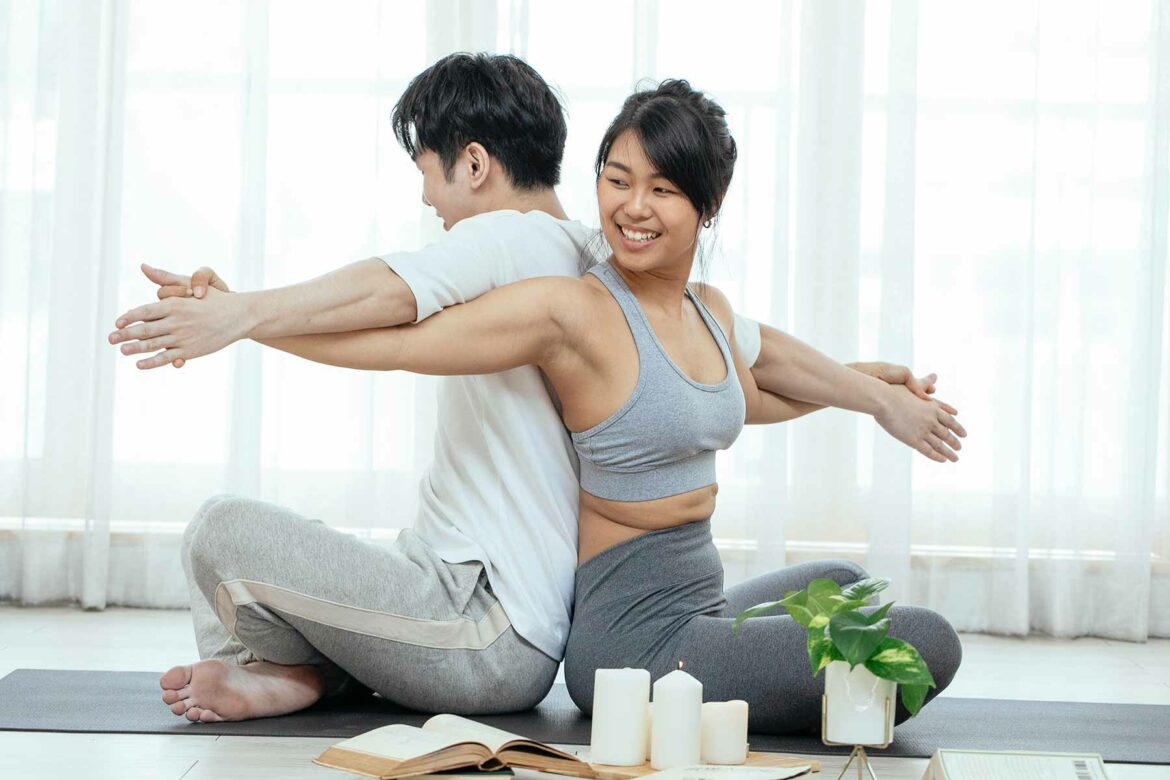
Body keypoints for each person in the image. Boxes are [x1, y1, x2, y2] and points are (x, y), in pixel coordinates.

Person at [109, 55, 965, 724]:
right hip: (583, 625)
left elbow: (753, 365)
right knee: (898, 627)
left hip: (542, 616)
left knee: (849, 583)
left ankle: (301, 670)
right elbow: (398, 330)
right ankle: (297, 673)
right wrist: (242, 316)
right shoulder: (574, 267)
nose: (427, 200)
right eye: (621, 180)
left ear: (474, 163)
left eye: (663, 188)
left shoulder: (556, 254)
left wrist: (869, 390)